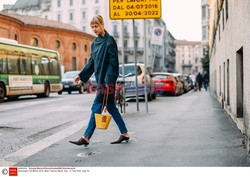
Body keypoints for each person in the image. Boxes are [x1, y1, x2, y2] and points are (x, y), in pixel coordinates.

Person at [69, 15, 129, 146]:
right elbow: (91, 62)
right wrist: (81, 75)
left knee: (97, 106)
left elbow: (113, 64)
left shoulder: (110, 41)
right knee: (111, 107)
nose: (94, 29)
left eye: (96, 26)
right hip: (100, 80)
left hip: (108, 82)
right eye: (92, 27)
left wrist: (109, 81)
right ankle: (124, 133)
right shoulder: (94, 43)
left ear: (102, 25)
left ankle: (86, 137)